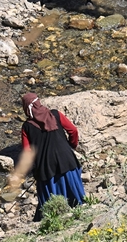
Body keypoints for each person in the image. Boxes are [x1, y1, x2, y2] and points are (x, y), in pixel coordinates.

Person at [19, 93, 85, 221]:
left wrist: (34, 168)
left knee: (50, 200)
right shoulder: (55, 114)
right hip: (67, 160)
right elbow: (73, 131)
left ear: (27, 108)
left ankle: (52, 218)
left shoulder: (27, 126)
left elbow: (27, 152)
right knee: (76, 195)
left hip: (46, 168)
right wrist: (72, 145)